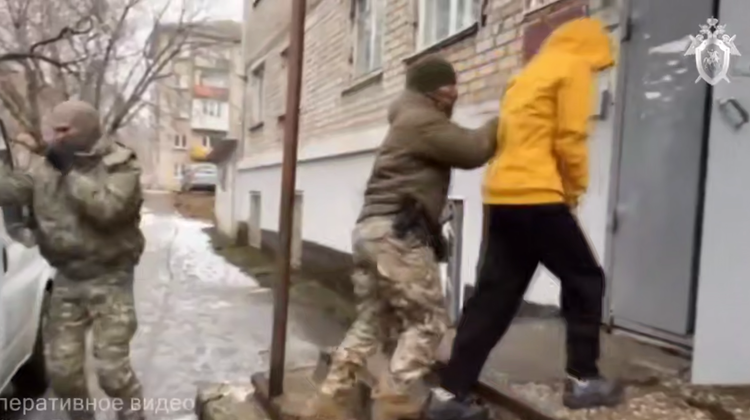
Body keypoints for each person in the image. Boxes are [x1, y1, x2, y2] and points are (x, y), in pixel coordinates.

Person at [427, 17, 622, 417]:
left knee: (493, 297)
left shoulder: (526, 75)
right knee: (585, 279)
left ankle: (449, 394)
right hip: (537, 196)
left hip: (502, 197)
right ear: (591, 49)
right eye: (599, 66)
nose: (597, 73)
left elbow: (509, 136)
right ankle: (583, 379)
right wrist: (573, 191)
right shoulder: (572, 67)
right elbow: (570, 139)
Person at [305, 55, 499, 420]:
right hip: (397, 236)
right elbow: (474, 149)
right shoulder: (421, 119)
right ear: (434, 89)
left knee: (372, 321)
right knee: (428, 322)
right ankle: (393, 402)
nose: (455, 93)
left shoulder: (407, 117)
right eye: (451, 86)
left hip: (371, 234)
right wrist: (504, 120)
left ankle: (330, 400)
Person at [0, 100, 146, 420]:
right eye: (54, 130)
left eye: (64, 130)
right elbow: (11, 190)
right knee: (63, 374)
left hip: (111, 279)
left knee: (112, 373)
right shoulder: (47, 168)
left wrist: (70, 172)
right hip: (68, 279)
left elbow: (108, 210)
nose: (56, 137)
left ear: (87, 128)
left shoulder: (121, 165)